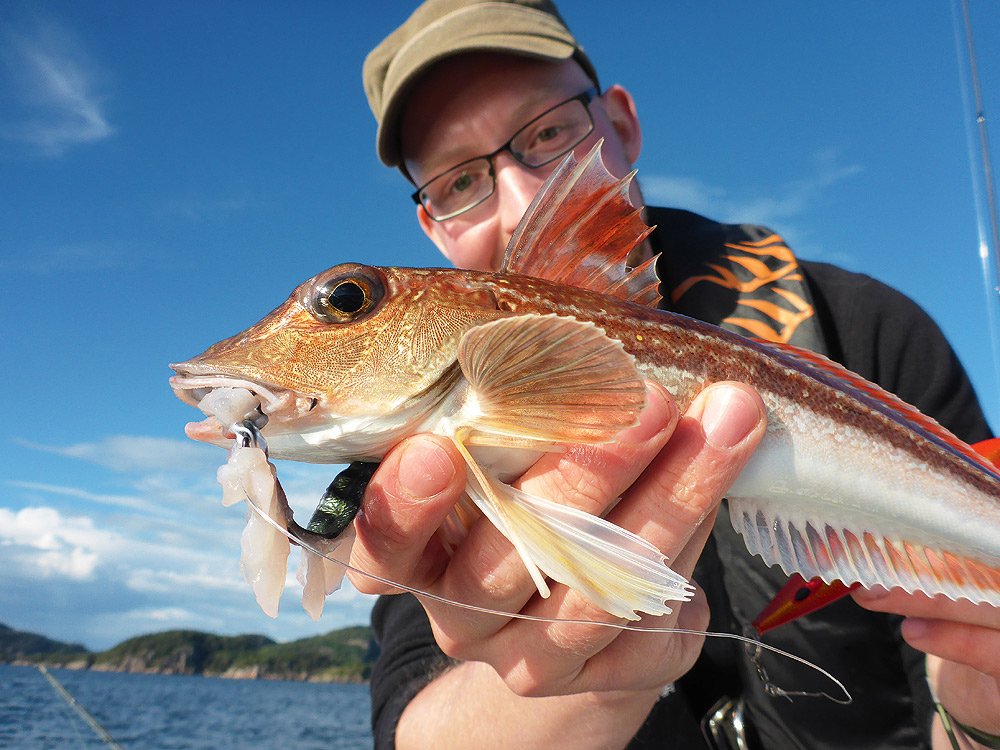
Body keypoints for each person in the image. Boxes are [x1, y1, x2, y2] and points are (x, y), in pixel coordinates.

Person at [349, 1, 1000, 748]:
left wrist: (983, 713)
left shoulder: (866, 328)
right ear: (432, 225)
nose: (524, 201)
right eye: (460, 182)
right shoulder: (421, 437)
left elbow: (952, 695)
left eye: (551, 132)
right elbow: (413, 724)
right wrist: (586, 682)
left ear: (620, 126)